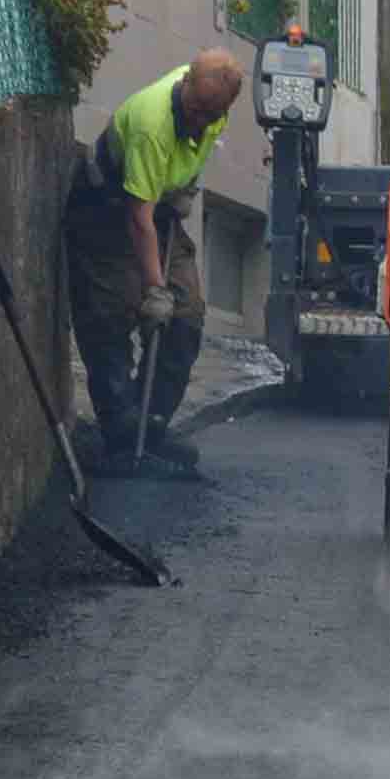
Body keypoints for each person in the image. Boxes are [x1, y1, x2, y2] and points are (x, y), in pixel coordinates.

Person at [61, 48, 240, 477]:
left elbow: (190, 160)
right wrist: (154, 289)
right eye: (193, 107)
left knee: (187, 315)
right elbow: (137, 218)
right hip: (105, 209)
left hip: (158, 210)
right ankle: (119, 433)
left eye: (208, 113)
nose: (198, 118)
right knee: (110, 313)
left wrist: (184, 188)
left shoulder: (216, 112)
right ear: (186, 86)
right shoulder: (151, 124)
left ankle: (149, 423)